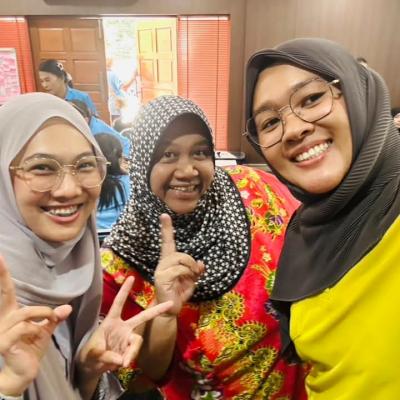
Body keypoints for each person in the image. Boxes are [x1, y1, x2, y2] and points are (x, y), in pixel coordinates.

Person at [100, 95, 307, 399]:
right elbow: (146, 378)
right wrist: (165, 312)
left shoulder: (254, 189)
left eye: (200, 152)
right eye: (168, 155)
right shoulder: (121, 262)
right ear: (143, 162)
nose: (187, 170)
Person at [244, 38, 400, 399]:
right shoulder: (305, 231)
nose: (294, 129)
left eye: (311, 99)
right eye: (270, 122)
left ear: (358, 92)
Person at [0, 92, 172, 400]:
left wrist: (88, 369)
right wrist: (9, 386)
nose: (69, 189)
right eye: (42, 167)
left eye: (84, 165)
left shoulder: (73, 267)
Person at [94, 133, 130, 231]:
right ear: (119, 158)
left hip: (92, 236)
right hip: (121, 235)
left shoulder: (88, 183)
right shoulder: (130, 182)